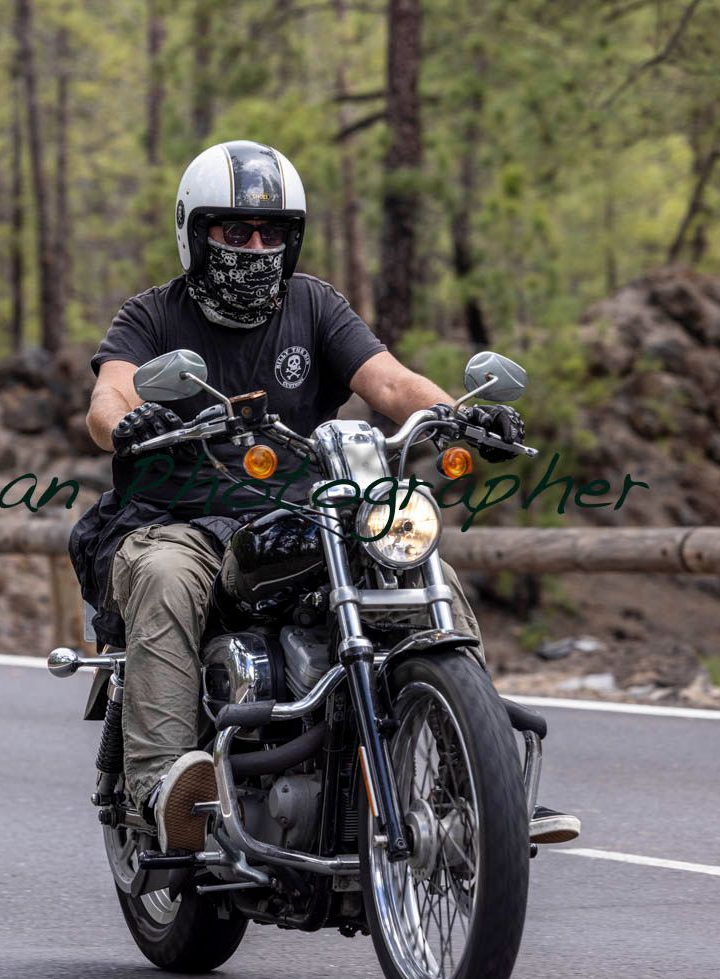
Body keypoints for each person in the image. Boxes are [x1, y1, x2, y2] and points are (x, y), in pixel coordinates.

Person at [69, 140, 580, 853]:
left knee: (416, 558)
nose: (254, 246)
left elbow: (391, 383)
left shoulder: (313, 305)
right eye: (234, 231)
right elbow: (109, 393)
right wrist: (130, 419)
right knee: (162, 575)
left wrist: (459, 415)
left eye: (270, 233)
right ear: (193, 232)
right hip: (177, 517)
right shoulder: (154, 315)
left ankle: (471, 783)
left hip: (296, 509)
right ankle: (164, 791)